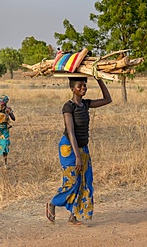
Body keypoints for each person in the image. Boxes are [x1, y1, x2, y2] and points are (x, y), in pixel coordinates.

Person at [46, 76, 112, 225]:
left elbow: (108, 99)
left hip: (83, 148)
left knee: (85, 182)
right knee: (72, 181)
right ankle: (53, 203)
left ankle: (73, 216)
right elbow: (71, 132)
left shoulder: (86, 104)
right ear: (72, 89)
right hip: (69, 148)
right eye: (80, 86)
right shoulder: (68, 107)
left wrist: (99, 79)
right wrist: (77, 157)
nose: (83, 88)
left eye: (85, 85)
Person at [0, 95, 15, 169]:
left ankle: (5, 163)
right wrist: (1, 110)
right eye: (2, 102)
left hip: (4, 130)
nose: (2, 104)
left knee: (5, 145)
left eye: (4, 102)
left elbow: (13, 118)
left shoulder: (8, 109)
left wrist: (9, 112)